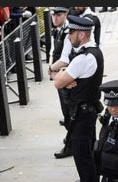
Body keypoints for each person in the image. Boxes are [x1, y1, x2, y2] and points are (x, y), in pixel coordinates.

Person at [53, 15, 104, 182]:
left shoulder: (83, 58)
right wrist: (66, 77)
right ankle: (91, 180)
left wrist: (61, 75)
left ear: (81, 34)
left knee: (81, 151)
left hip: (82, 112)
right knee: (89, 148)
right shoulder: (94, 51)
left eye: (72, 33)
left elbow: (57, 82)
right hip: (87, 110)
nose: (69, 37)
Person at [47, 7, 72, 160]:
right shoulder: (58, 30)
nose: (55, 18)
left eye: (59, 14)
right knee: (66, 111)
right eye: (53, 15)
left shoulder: (68, 32)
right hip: (59, 76)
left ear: (66, 15)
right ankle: (71, 138)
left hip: (65, 76)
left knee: (69, 112)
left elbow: (65, 59)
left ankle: (71, 144)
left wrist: (51, 68)